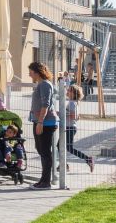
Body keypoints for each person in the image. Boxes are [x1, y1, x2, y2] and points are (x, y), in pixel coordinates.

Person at [28, 61, 57, 189]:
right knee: (40, 150)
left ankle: (46, 182)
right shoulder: (41, 84)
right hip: (39, 121)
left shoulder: (45, 84)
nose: (29, 74)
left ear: (37, 72)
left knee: (45, 152)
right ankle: (43, 180)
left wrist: (40, 122)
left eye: (31, 72)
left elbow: (46, 104)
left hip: (45, 123)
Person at [64, 85, 95, 173]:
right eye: (68, 90)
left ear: (74, 94)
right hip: (68, 127)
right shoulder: (73, 102)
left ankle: (88, 159)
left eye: (69, 90)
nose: (67, 91)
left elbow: (74, 116)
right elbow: (77, 117)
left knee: (69, 148)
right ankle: (64, 165)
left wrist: (61, 113)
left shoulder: (72, 103)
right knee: (60, 146)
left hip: (69, 128)